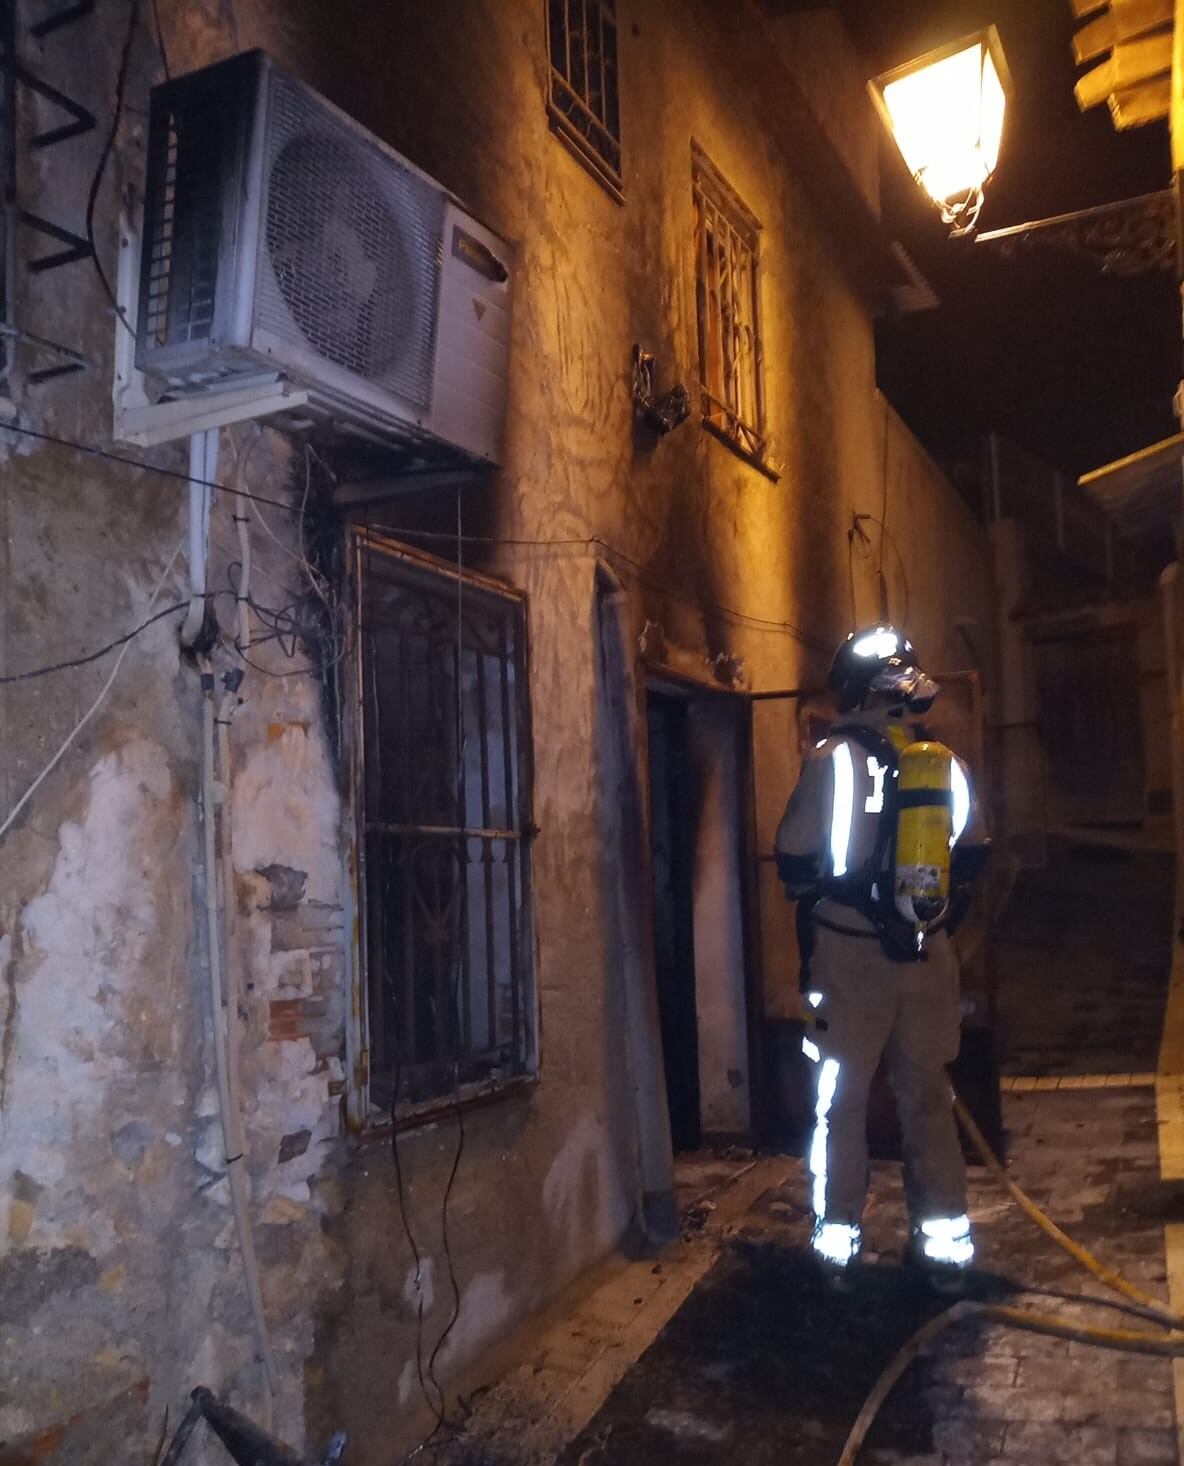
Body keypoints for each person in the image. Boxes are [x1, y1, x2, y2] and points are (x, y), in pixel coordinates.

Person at [775, 625, 989, 1279]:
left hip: (850, 959)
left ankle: (838, 1240)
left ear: (852, 689)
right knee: (927, 1095)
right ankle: (944, 1241)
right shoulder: (944, 765)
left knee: (840, 1102)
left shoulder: (830, 759)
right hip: (927, 956)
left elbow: (792, 853)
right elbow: (974, 855)